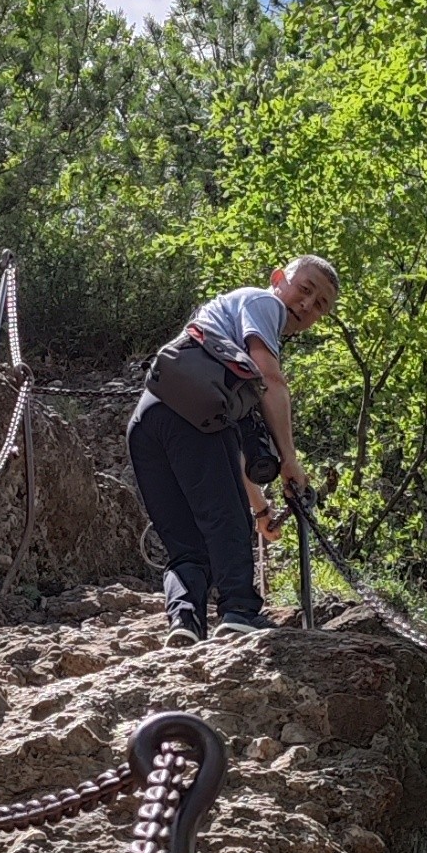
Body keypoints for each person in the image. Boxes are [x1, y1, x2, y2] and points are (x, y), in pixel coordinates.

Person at [130, 257, 338, 637]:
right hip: (193, 418)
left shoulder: (224, 328)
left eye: (320, 304)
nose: (307, 305)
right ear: (278, 279)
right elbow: (271, 379)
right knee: (226, 522)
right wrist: (289, 459)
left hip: (150, 420)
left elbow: (232, 453)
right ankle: (239, 611)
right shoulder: (265, 304)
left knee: (186, 543)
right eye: (304, 289)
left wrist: (260, 510)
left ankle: (185, 623)